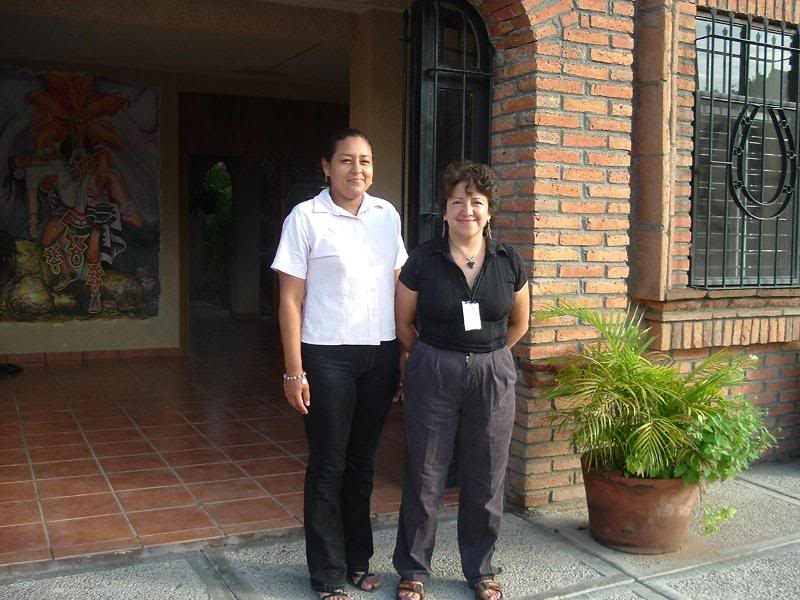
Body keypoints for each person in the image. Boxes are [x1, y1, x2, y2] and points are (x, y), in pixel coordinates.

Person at [271, 128, 407, 600]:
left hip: (381, 354)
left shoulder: (386, 215)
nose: (357, 170)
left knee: (361, 463)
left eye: (365, 161)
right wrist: (294, 369)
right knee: (328, 464)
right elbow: (290, 300)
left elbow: (399, 288)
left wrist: (405, 355)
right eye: (346, 160)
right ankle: (326, 571)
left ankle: (357, 560)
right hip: (326, 356)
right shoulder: (306, 217)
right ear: (327, 166)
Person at [392, 161, 530, 600]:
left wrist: (488, 359)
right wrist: (437, 357)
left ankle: (481, 568)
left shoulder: (509, 261)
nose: (466, 209)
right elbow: (404, 324)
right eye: (457, 201)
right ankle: (414, 570)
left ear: (489, 211)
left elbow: (520, 323)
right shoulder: (423, 260)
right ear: (444, 210)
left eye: (476, 202)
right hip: (433, 367)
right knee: (425, 473)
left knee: (486, 476)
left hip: (492, 371)